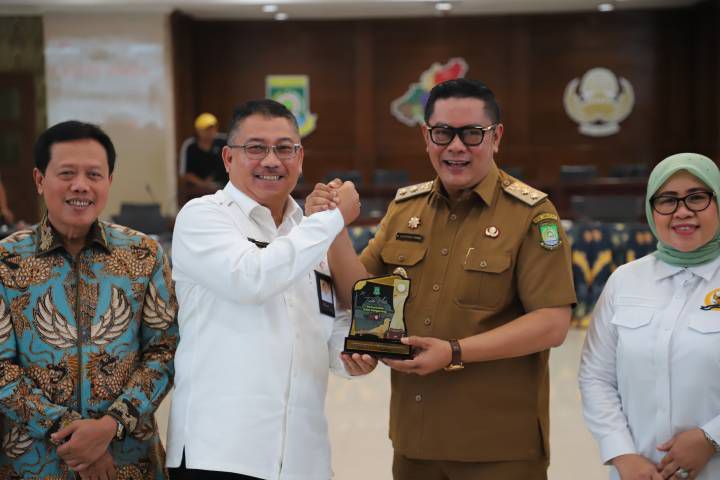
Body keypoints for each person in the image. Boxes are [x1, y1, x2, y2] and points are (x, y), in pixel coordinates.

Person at [306, 78, 576, 479]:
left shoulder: (532, 214)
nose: (456, 146)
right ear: (426, 137)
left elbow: (552, 323)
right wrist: (335, 227)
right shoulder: (405, 209)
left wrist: (454, 351)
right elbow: (360, 298)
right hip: (415, 443)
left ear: (496, 137)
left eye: (472, 133)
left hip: (498, 446)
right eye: (443, 133)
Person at [166, 99, 376, 480]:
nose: (271, 160)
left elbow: (327, 321)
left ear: (300, 157)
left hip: (303, 460)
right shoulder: (203, 217)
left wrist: (355, 351)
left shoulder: (307, 233)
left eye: (283, 149)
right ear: (228, 158)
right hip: (220, 456)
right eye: (256, 148)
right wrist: (332, 219)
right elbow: (252, 279)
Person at [0, 120, 179, 479]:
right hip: (33, 463)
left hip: (129, 460)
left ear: (109, 181)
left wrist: (109, 427)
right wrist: (74, 437)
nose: (80, 185)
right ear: (40, 180)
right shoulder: (7, 261)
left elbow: (165, 351)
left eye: (94, 174)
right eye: (66, 173)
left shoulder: (143, 254)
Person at [579, 152, 720, 480]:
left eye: (696, 197)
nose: (682, 211)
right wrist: (623, 454)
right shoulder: (625, 280)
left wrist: (711, 438)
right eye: (667, 200)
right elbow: (596, 377)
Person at [178, 112, 229, 196]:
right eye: (206, 129)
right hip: (198, 191)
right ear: (198, 130)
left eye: (212, 128)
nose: (210, 132)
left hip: (223, 188)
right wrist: (204, 184)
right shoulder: (190, 146)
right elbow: (185, 174)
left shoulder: (224, 141)